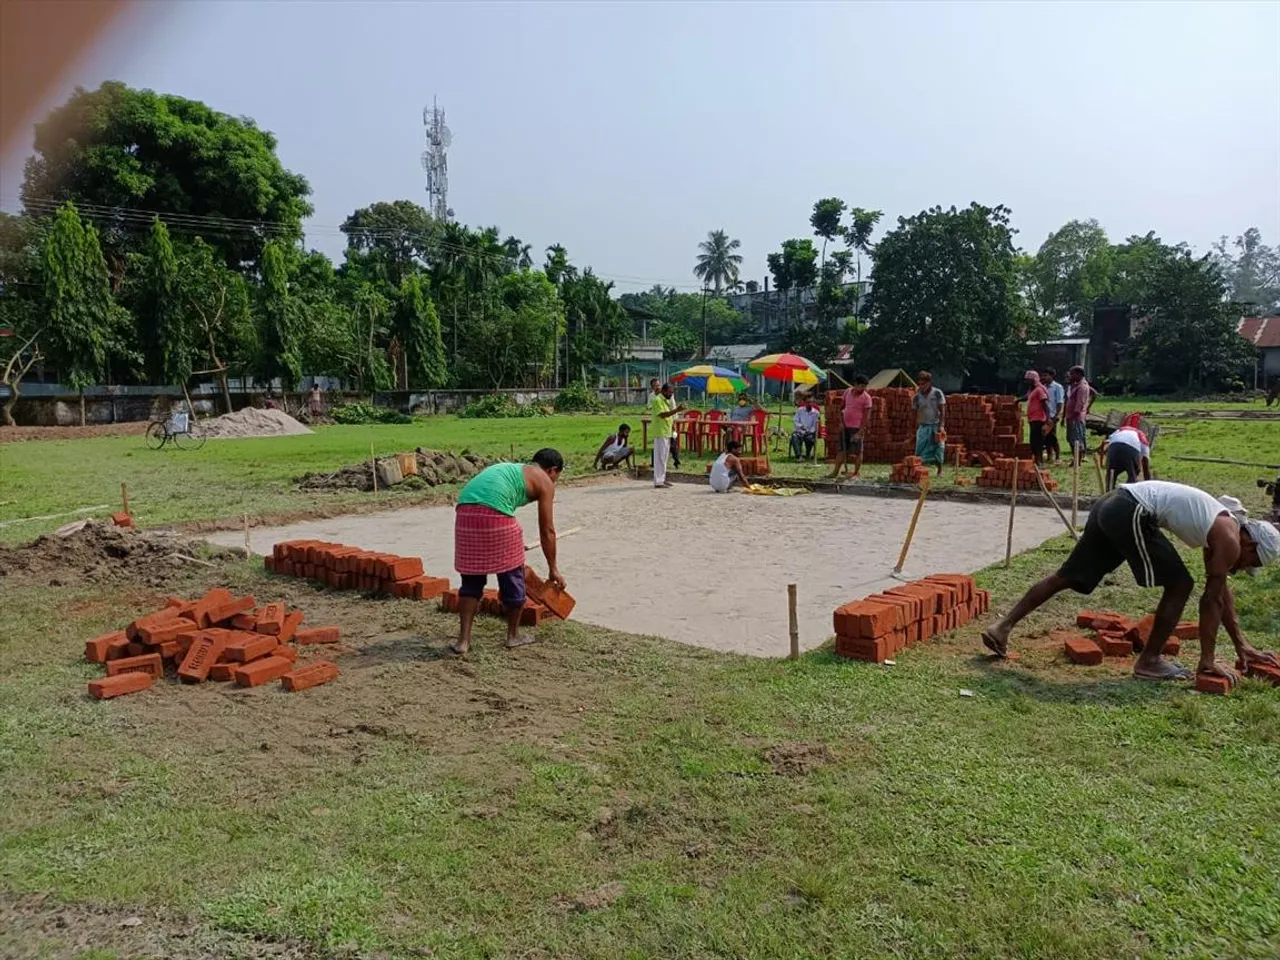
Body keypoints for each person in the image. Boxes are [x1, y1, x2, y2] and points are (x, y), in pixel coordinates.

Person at [981, 480, 1280, 684]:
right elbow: (1210, 599)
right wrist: (1208, 661)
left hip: (1111, 502)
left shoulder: (1221, 526)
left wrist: (1243, 645)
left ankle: (1001, 627)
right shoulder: (1228, 538)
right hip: (1131, 511)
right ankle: (1149, 661)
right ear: (1250, 545)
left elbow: (1219, 592)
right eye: (1251, 563)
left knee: (1069, 576)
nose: (1242, 568)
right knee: (1180, 585)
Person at [449, 449, 567, 656]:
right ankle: (513, 636)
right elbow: (547, 530)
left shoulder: (513, 469)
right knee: (513, 574)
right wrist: (553, 569)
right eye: (557, 477)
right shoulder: (545, 481)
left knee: (471, 580)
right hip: (494, 514)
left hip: (465, 512)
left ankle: (463, 641)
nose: (555, 481)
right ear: (553, 470)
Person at [828, 374, 873, 480]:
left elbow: (867, 417)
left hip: (857, 427)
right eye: (861, 386)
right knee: (841, 450)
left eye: (865, 386)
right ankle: (835, 472)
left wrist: (860, 432)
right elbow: (842, 407)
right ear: (855, 384)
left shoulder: (867, 398)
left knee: (858, 452)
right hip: (845, 426)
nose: (863, 388)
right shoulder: (847, 392)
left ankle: (856, 473)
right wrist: (841, 422)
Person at [648, 379, 684, 489]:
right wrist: (677, 410)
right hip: (660, 432)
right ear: (663, 391)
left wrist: (673, 424)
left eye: (672, 392)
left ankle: (662, 479)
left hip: (666, 431)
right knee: (660, 458)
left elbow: (669, 415)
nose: (671, 394)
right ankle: (658, 481)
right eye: (669, 392)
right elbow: (662, 415)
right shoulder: (657, 400)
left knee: (664, 457)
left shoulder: (666, 400)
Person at [912, 371, 946, 476]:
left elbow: (942, 410)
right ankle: (919, 472)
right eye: (920, 384)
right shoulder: (917, 397)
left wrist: (941, 426)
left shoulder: (937, 393)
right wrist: (914, 428)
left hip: (936, 425)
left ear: (929, 383)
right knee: (920, 449)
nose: (922, 386)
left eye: (924, 384)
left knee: (939, 448)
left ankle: (940, 470)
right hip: (923, 426)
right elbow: (914, 413)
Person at [1103, 422, 1152, 489]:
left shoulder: (1120, 430)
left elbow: (1109, 442)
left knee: (1111, 471)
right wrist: (1149, 484)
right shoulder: (1143, 438)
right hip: (1131, 450)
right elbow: (1145, 466)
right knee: (1134, 472)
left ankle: (1108, 492)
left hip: (1114, 446)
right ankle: (1129, 490)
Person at [1064, 365, 1094, 466]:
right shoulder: (1076, 385)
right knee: (1071, 438)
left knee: (1076, 439)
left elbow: (1079, 405)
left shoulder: (1082, 387)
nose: (1070, 376)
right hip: (1071, 417)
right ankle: (1075, 459)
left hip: (1075, 418)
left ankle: (1078, 460)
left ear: (1078, 374)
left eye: (1072, 374)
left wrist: (1073, 418)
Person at [1024, 370, 1051, 466]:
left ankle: (1039, 461)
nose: (1026, 382)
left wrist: (1048, 419)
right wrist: (1016, 401)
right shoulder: (1032, 390)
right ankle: (1036, 460)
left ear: (1034, 380)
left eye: (1028, 380)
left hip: (1039, 419)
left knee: (1037, 441)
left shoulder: (1039, 390)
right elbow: (1026, 397)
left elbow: (1045, 405)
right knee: (1033, 441)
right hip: (1032, 419)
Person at [1042, 367, 1064, 463]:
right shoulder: (1044, 386)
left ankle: (1058, 456)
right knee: (1046, 436)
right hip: (1044, 415)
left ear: (1052, 376)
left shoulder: (1057, 387)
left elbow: (1060, 402)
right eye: (1043, 375)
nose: (1044, 377)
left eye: (1046, 375)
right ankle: (1049, 455)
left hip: (1052, 415)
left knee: (1053, 437)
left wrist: (1057, 415)